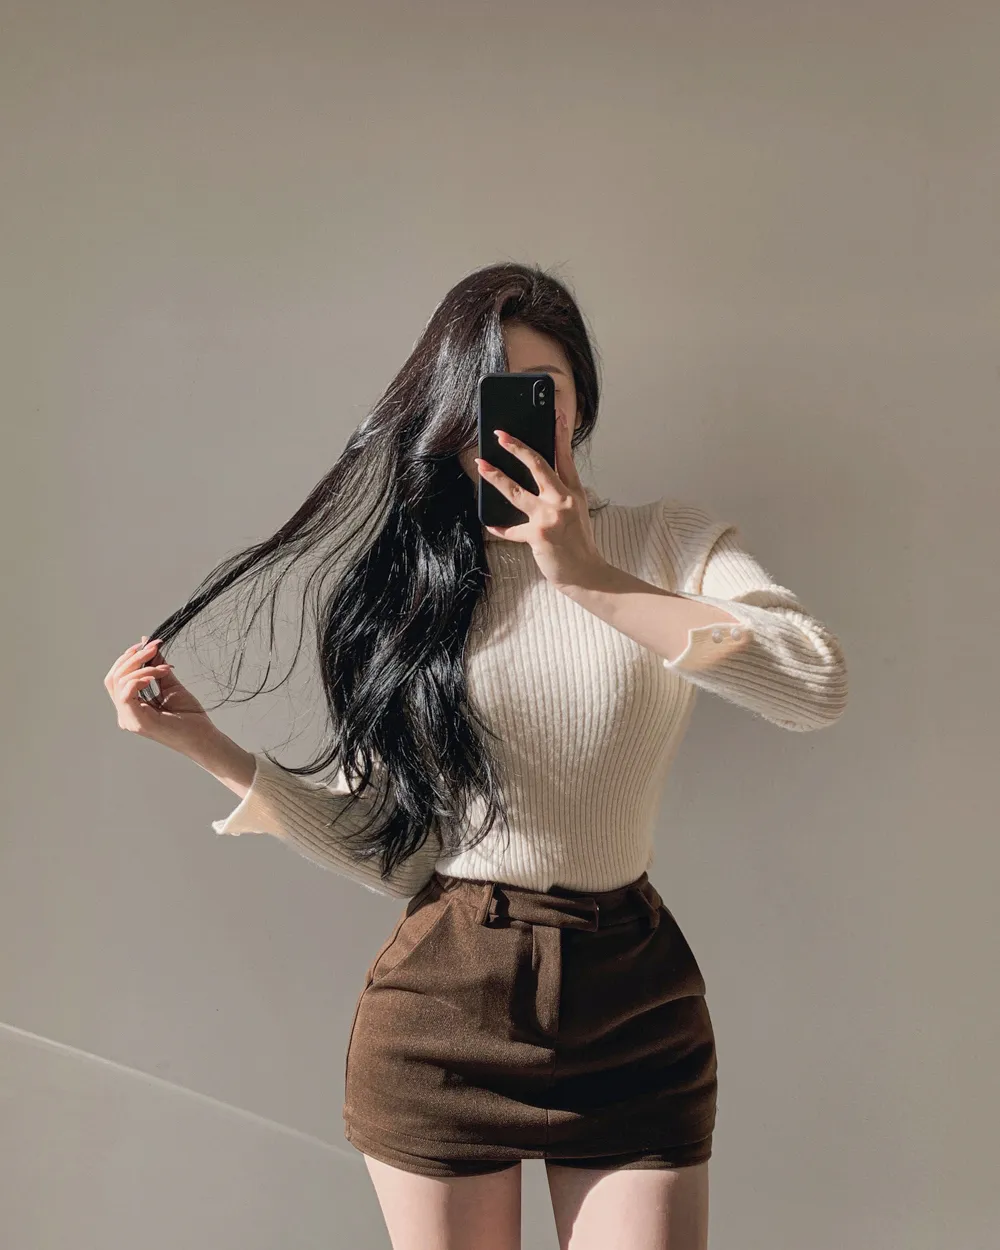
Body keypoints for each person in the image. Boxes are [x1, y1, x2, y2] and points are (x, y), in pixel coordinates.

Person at [104, 262, 847, 1250]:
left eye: (542, 389)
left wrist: (590, 579)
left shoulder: (667, 542)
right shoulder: (406, 592)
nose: (519, 418)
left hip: (633, 998)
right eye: (491, 392)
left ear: (578, 401)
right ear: (452, 411)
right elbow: (394, 852)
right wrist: (204, 742)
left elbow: (812, 682)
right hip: (444, 1006)